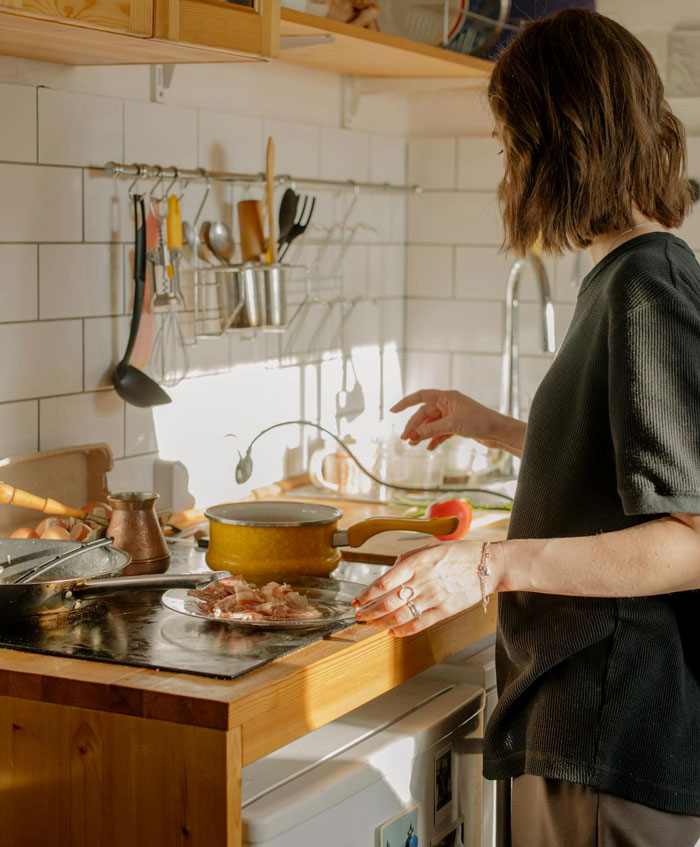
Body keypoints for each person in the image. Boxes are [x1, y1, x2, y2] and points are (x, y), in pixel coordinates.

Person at [352, 9, 700, 847]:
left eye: (513, 143)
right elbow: (618, 465)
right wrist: (496, 426)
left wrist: (487, 564)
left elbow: (690, 536)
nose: (508, 165)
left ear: (560, 144)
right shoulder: (629, 274)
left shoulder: (644, 291)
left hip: (609, 731)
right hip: (585, 723)